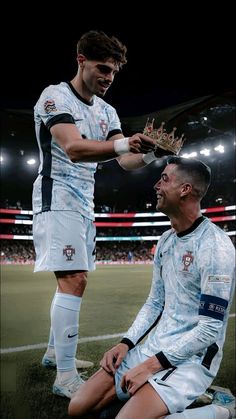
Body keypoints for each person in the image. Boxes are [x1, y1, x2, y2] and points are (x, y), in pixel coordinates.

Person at [32, 30, 162, 399]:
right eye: (103, 69)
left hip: (82, 204)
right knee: (74, 281)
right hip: (56, 197)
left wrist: (153, 152)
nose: (109, 78)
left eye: (114, 73)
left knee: (72, 281)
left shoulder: (108, 111)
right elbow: (73, 147)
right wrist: (124, 142)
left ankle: (54, 353)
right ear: (81, 61)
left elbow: (125, 161)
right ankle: (65, 376)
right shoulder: (54, 96)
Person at [68, 156, 235, 418]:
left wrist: (152, 366)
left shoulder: (216, 246)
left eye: (165, 179)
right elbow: (155, 302)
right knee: (78, 408)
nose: (156, 185)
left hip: (192, 358)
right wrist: (126, 343)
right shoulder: (166, 241)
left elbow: (210, 328)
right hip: (156, 347)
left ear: (185, 190)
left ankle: (221, 411)